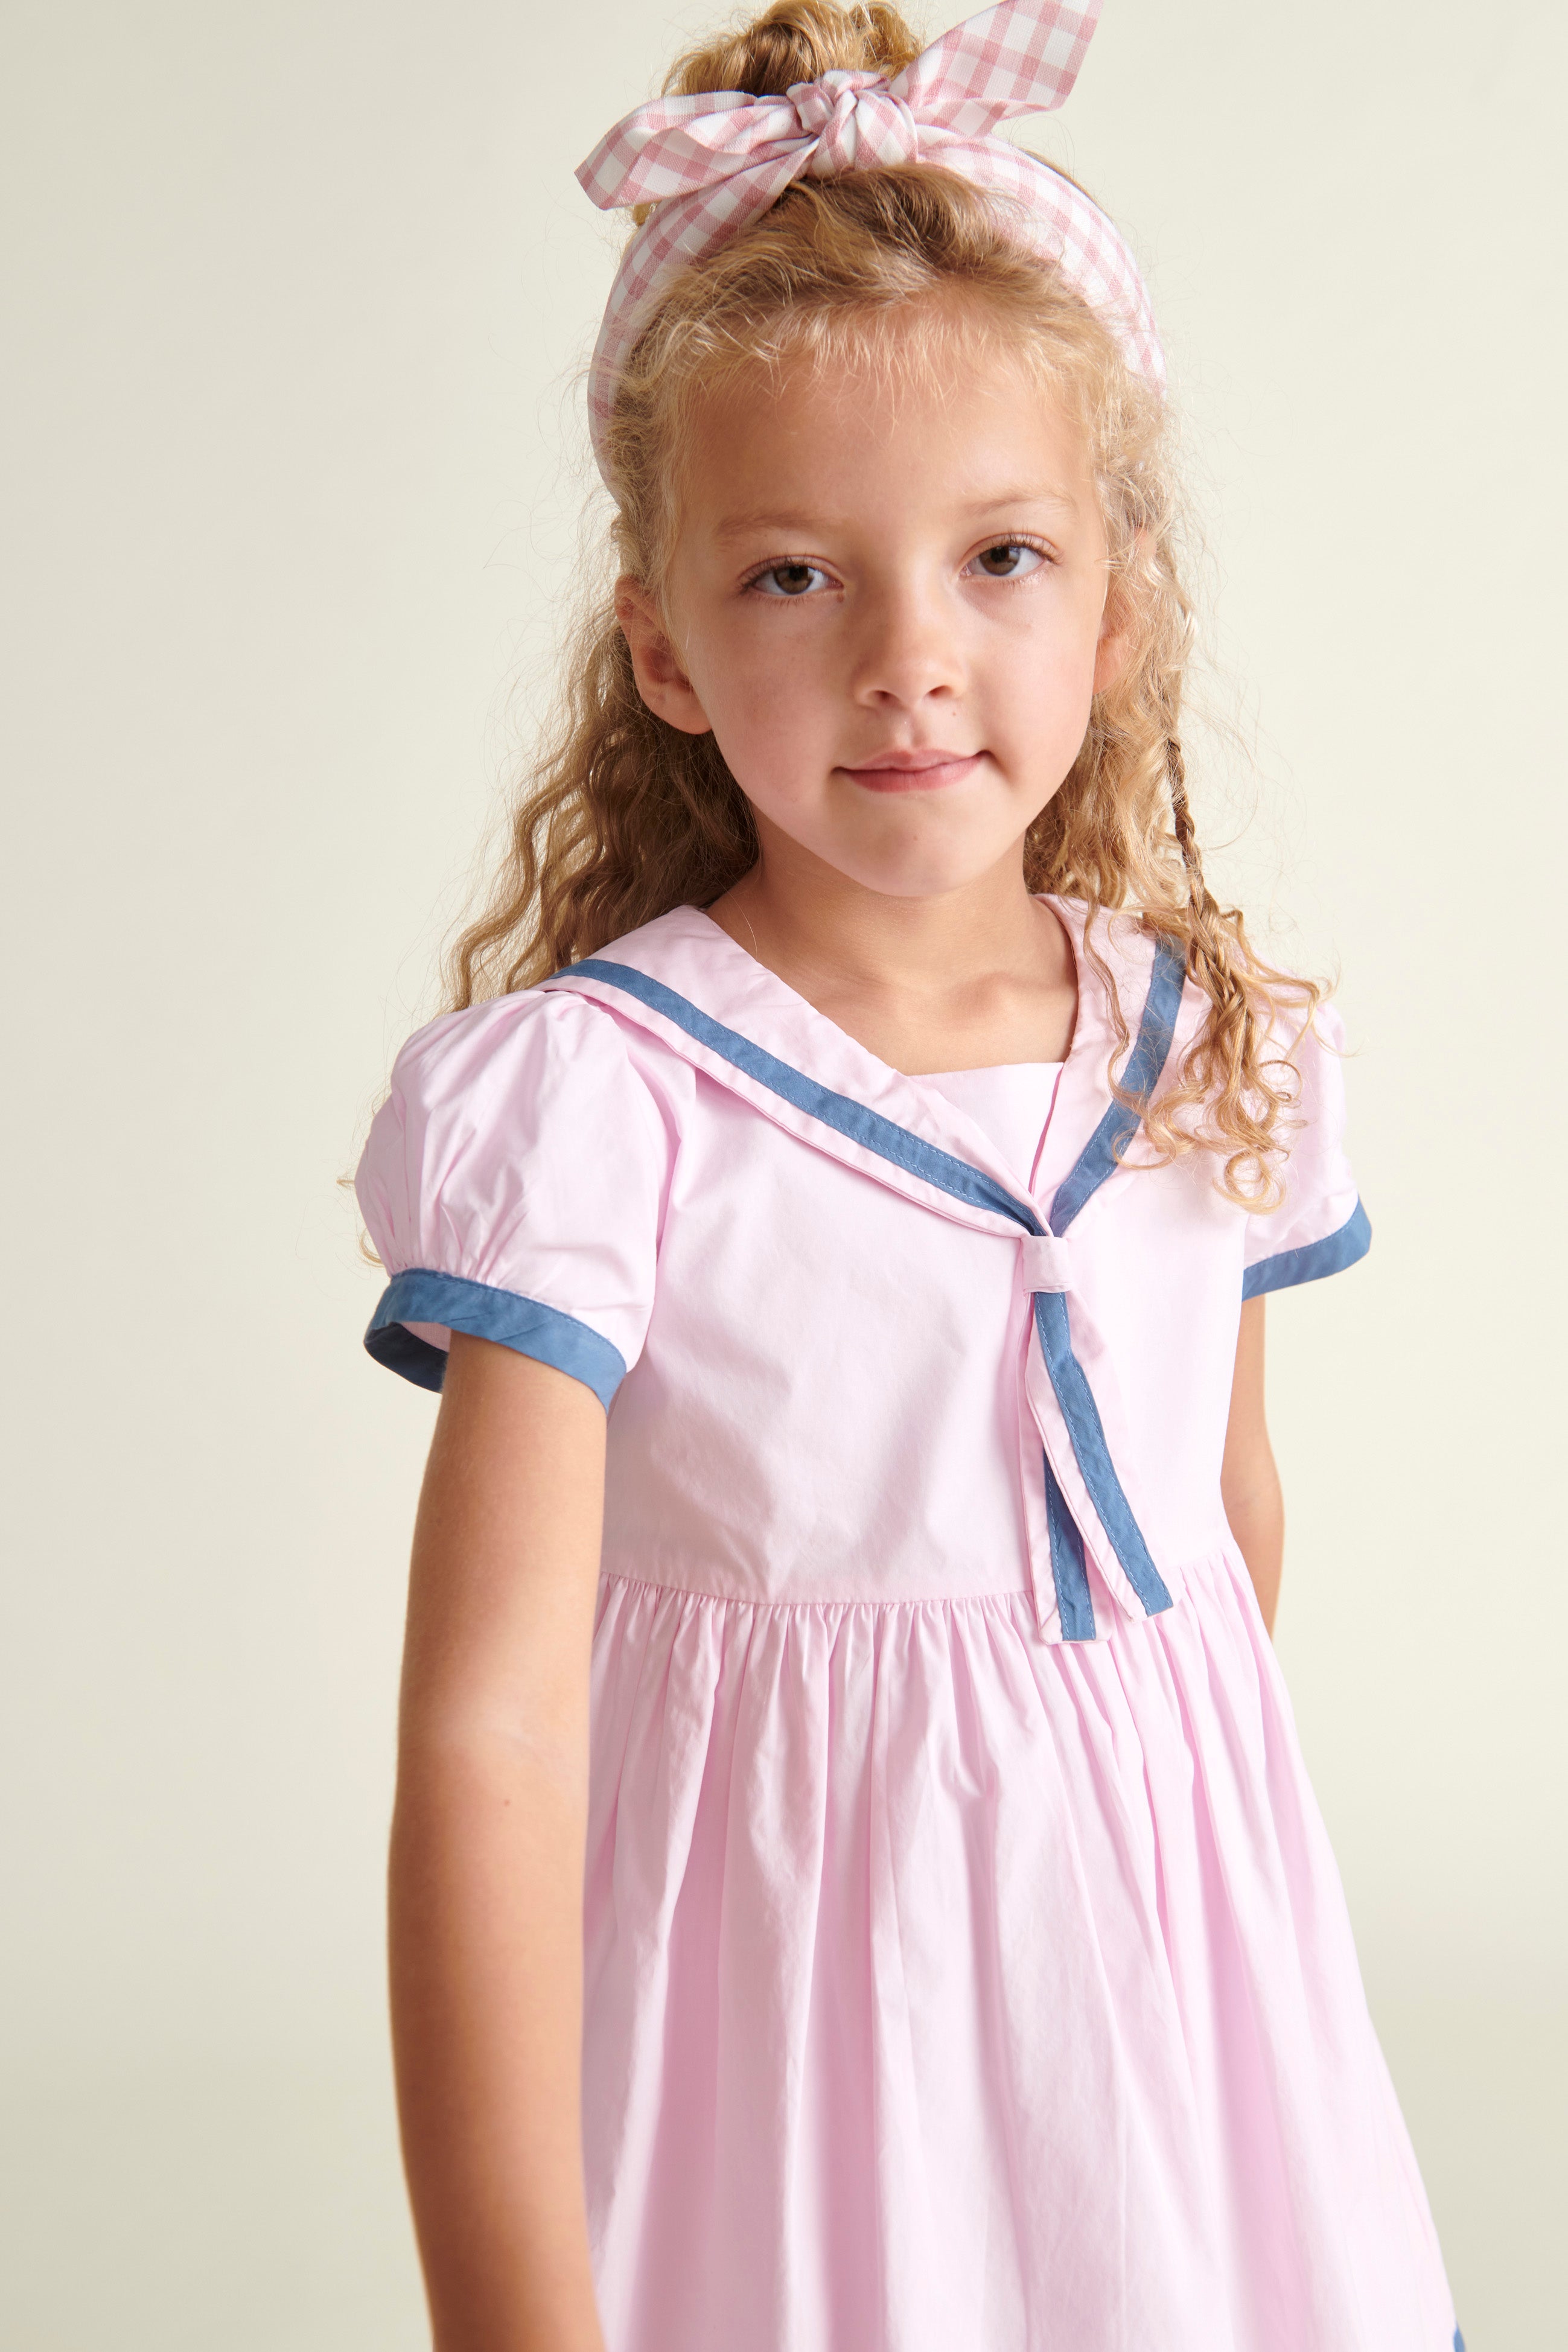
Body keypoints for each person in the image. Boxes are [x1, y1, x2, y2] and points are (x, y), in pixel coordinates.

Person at [355, 2, 1461, 2345]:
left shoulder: (1202, 1055)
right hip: (781, 2022)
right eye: (791, 578)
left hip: (1167, 2041)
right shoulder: (600, 1097)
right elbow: (486, 1730)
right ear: (655, 641)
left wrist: (1159, 1944)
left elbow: (1215, 1550)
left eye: (996, 556)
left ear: (1116, 610)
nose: (906, 661)